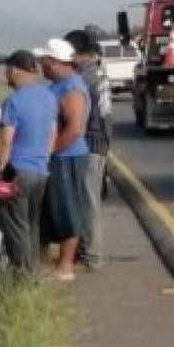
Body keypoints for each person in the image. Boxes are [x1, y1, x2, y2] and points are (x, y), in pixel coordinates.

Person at [0, 49, 57, 274]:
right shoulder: (49, 98)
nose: (6, 76)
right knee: (32, 224)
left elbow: (6, 140)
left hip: (18, 170)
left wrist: (1, 170)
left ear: (14, 70)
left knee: (16, 225)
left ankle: (22, 274)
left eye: (7, 71)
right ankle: (32, 269)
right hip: (41, 170)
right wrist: (44, 160)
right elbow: (52, 134)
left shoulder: (13, 101)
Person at [36, 38, 89, 281]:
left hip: (66, 158)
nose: (40, 66)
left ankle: (65, 267)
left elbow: (74, 129)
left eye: (43, 61)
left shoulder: (71, 88)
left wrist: (48, 152)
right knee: (49, 210)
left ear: (55, 62)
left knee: (67, 210)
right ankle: (46, 262)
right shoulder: (57, 85)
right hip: (57, 157)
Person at [63, 30, 112, 270]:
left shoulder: (88, 78)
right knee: (85, 199)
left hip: (92, 143)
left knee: (89, 202)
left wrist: (101, 148)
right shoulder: (93, 75)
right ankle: (85, 252)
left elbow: (101, 116)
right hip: (97, 143)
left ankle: (92, 256)